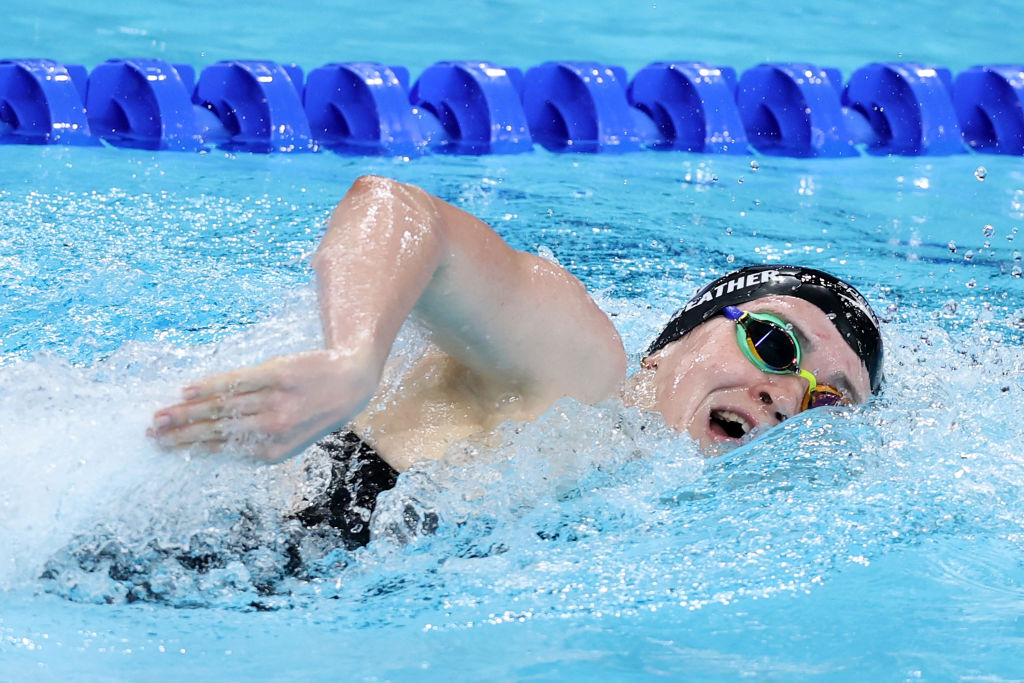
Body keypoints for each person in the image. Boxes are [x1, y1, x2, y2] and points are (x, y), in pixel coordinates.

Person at [148, 175, 883, 547]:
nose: (788, 393)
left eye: (828, 400)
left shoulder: (652, 518)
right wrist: (351, 359)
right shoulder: (578, 370)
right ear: (667, 349)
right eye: (775, 343)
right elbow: (400, 209)